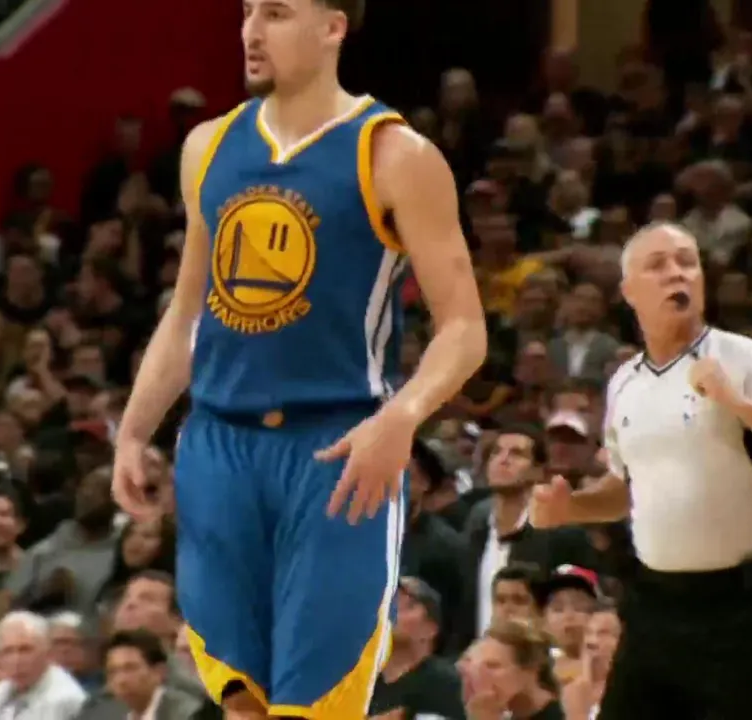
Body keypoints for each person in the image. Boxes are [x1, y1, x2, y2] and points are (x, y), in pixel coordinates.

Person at [111, 0, 488, 716]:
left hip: (335, 448)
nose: (252, 31)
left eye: (277, 12)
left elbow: (465, 327)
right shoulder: (208, 148)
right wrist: (133, 431)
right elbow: (188, 313)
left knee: (314, 704)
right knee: (239, 699)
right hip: (218, 444)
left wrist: (401, 418)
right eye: (248, 10)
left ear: (333, 26)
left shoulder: (394, 155)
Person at [529, 222, 752, 719]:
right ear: (629, 292)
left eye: (687, 262)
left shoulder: (750, 360)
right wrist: (570, 508)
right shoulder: (625, 382)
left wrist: (737, 402)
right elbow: (626, 489)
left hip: (748, 615)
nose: (676, 273)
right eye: (658, 265)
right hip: (656, 611)